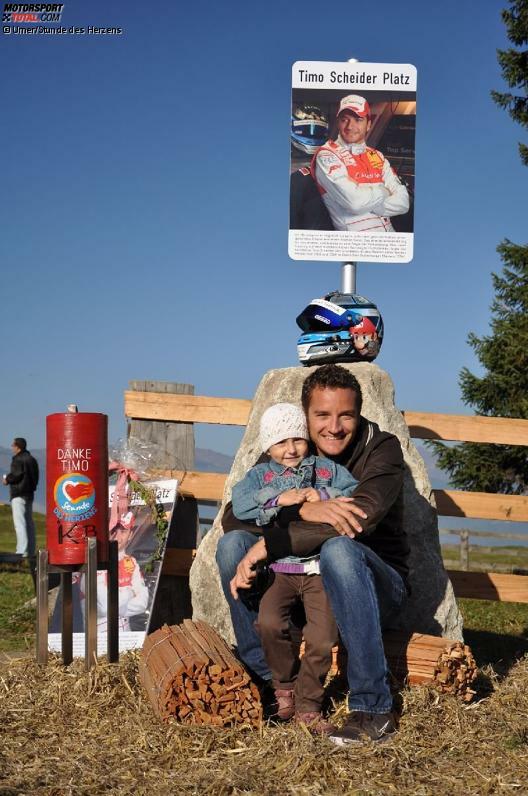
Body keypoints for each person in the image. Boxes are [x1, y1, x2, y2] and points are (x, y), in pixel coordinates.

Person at [216, 364, 409, 745]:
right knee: (230, 546)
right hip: (295, 582)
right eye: (322, 415)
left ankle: (374, 706)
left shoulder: (382, 449)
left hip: (372, 585)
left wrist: (273, 542)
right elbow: (234, 516)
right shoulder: (288, 449)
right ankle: (267, 680)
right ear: (307, 417)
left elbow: (359, 519)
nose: (333, 427)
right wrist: (299, 509)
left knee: (340, 547)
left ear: (359, 413)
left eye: (345, 415)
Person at [231, 402, 358, 734]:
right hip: (281, 567)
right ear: (268, 446)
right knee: (269, 622)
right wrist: (277, 499)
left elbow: (355, 493)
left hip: (318, 569)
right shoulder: (260, 475)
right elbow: (240, 502)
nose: (290, 449)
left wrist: (324, 495)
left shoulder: (327, 469)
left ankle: (309, 705)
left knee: (322, 636)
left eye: (297, 440)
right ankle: (284, 686)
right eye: (280, 442)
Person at [312, 94, 409, 233]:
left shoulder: (377, 156)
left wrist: (368, 202)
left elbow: (403, 203)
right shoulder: (327, 154)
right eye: (344, 120)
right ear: (338, 123)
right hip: (357, 245)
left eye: (358, 120)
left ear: (368, 124)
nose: (350, 126)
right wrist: (384, 190)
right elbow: (355, 204)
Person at [76, 510, 149, 632]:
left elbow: (142, 603)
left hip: (126, 638)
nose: (117, 537)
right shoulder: (92, 560)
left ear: (130, 535)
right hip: (96, 639)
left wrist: (114, 604)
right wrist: (129, 593)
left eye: (123, 531)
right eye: (114, 530)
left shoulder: (131, 562)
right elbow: (102, 607)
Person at [3, 437, 39, 557]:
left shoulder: (18, 459)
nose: (12, 447)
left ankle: (22, 551)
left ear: (18, 446)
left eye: (13, 445)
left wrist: (7, 479)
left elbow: (17, 474)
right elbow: (36, 477)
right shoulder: (32, 460)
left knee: (20, 523)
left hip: (18, 493)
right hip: (30, 494)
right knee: (29, 522)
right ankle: (31, 549)